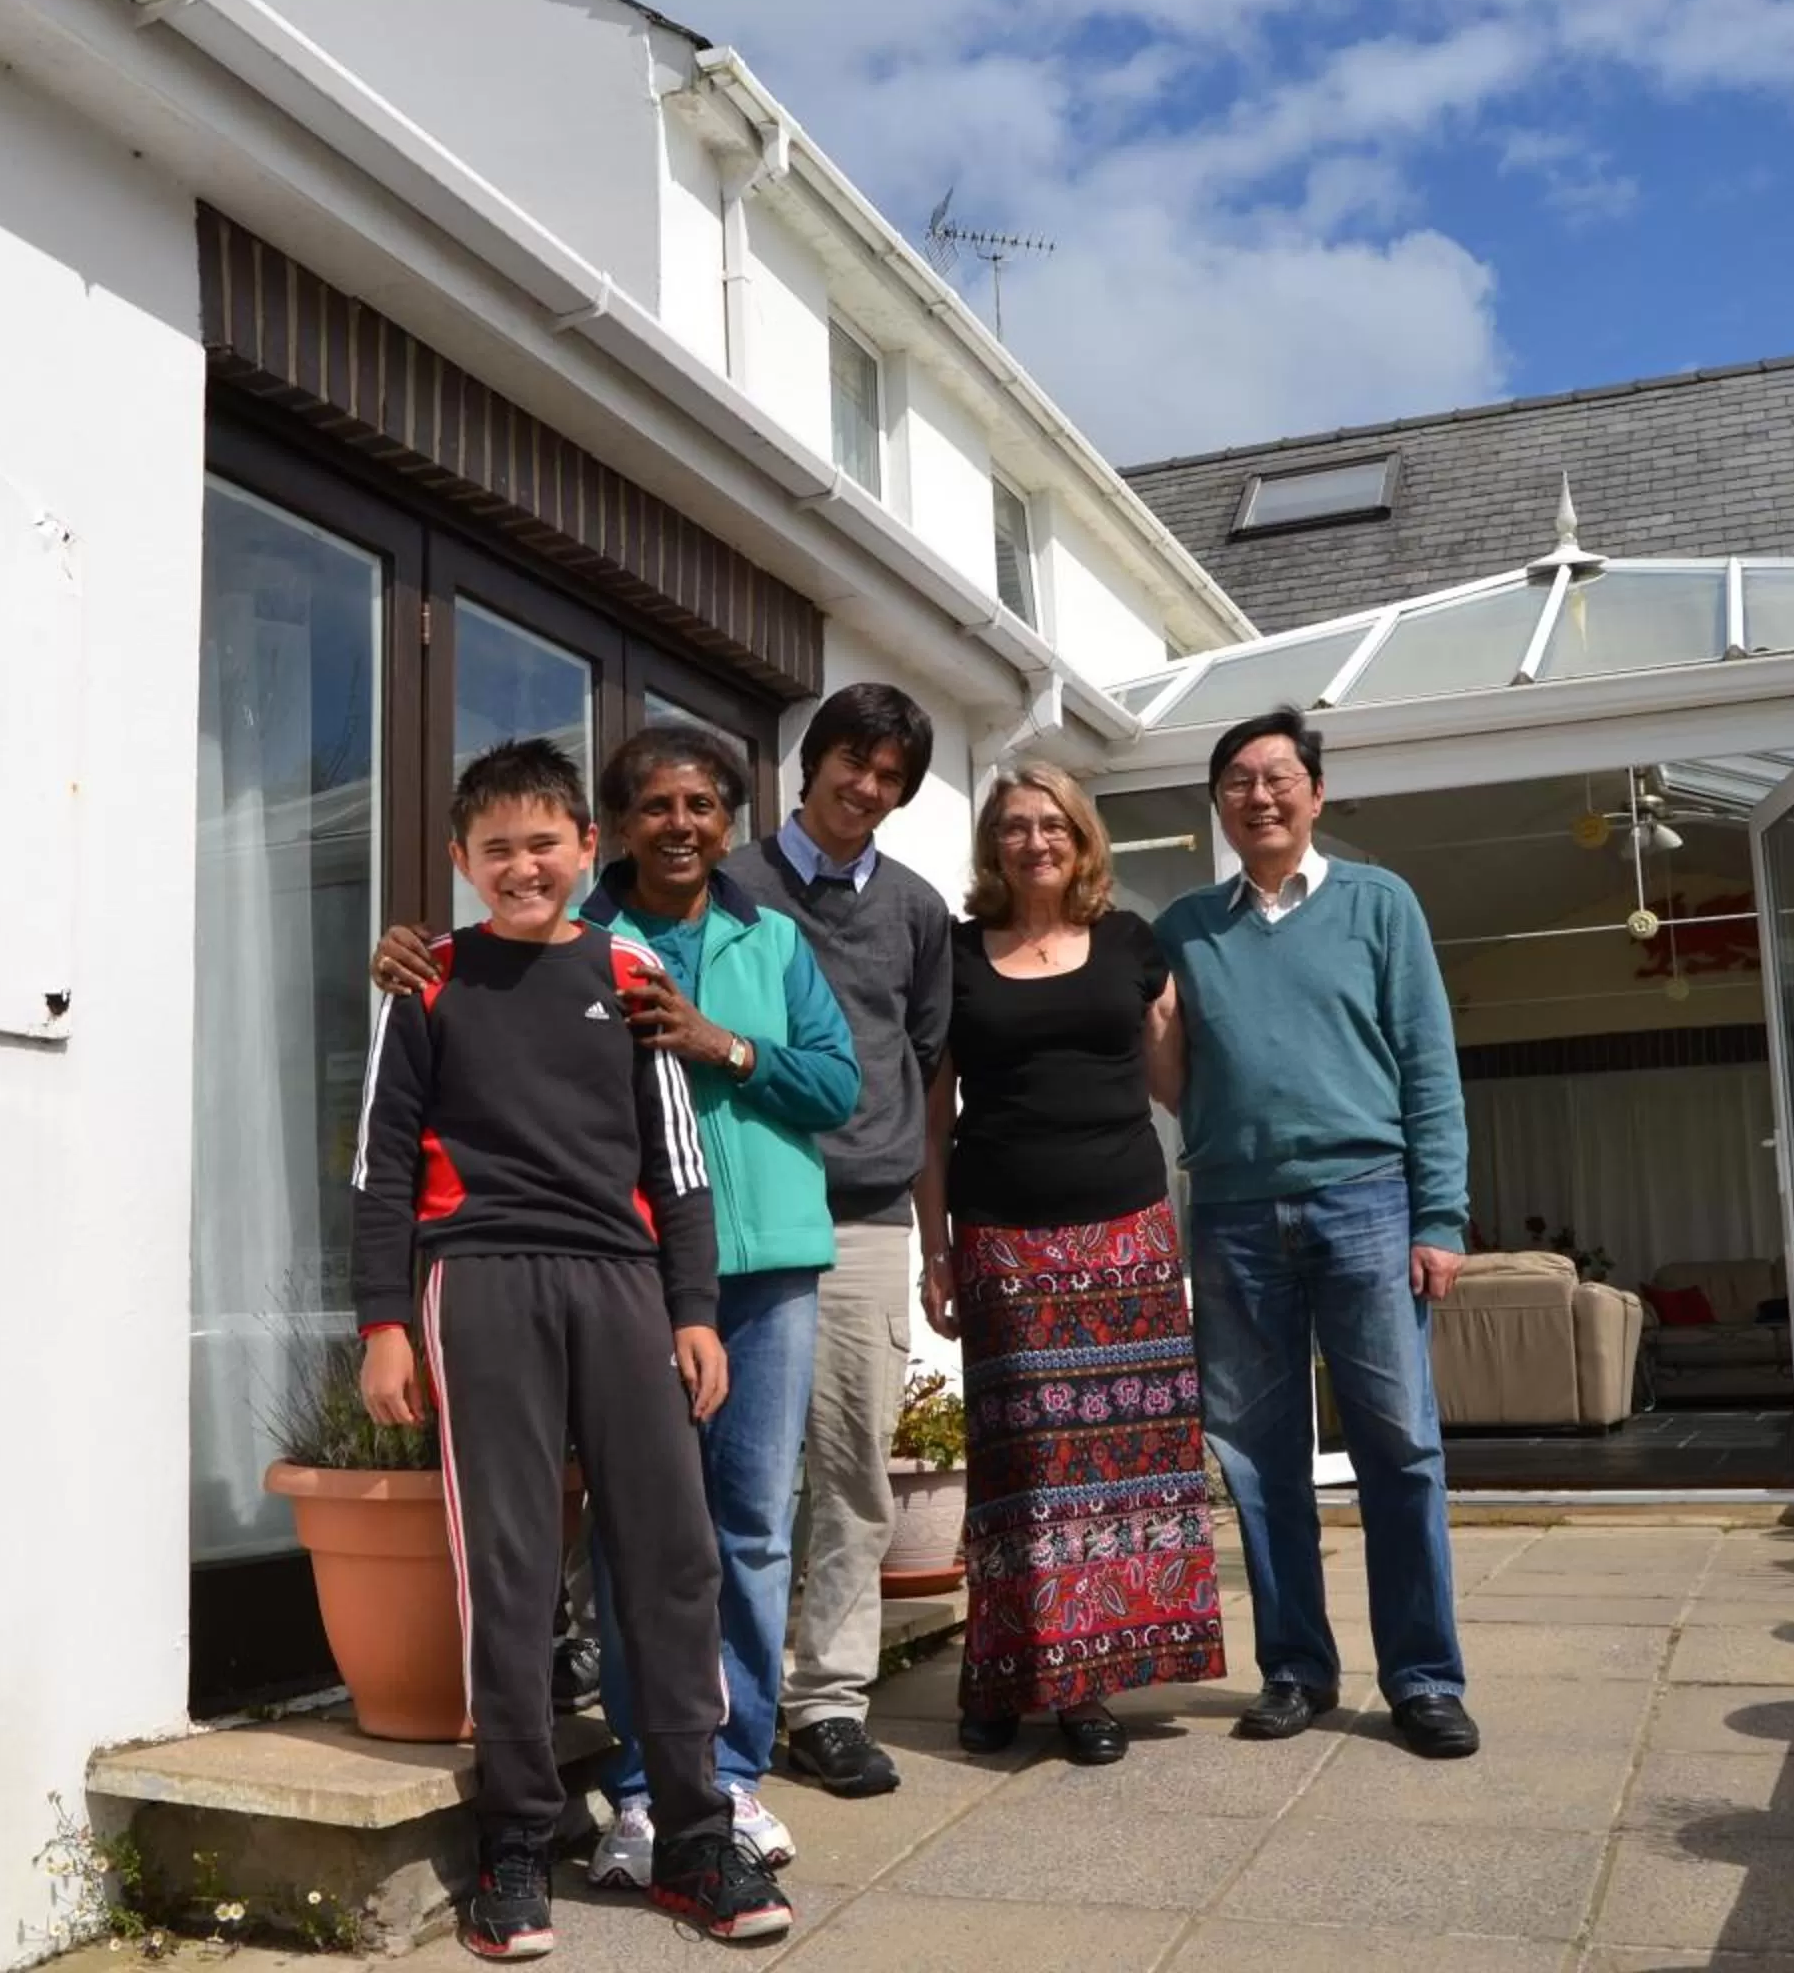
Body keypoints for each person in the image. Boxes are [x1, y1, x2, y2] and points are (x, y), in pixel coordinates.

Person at [386, 725, 859, 1880]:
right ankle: (617, 1795)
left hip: (715, 1270)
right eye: (658, 804)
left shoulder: (746, 942)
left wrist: (725, 1045)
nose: (682, 822)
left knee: (722, 1532)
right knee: (559, 1549)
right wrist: (383, 1317)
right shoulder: (499, 962)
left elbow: (823, 1089)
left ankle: (722, 1785)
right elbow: (392, 1148)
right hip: (563, 1275)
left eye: (702, 803)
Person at [1152, 707, 1481, 1762]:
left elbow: (1429, 1066)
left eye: (1279, 776)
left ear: (1316, 793)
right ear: (1220, 802)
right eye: (1239, 780)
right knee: (1256, 1456)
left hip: (1366, 1199)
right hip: (1235, 1212)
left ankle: (1424, 1677)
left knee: (1401, 1446)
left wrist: (1438, 1214)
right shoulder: (1186, 929)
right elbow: (1173, 1078)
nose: (1261, 795)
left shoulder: (1380, 904)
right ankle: (1295, 1667)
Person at [917, 763, 1228, 1764]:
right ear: (993, 845)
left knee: (1121, 1468)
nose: (1034, 840)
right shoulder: (956, 954)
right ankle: (1003, 1675)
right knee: (1021, 1471)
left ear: (1082, 838)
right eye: (1014, 825)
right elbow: (932, 1111)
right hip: (1004, 1236)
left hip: (1127, 1232)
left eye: (1052, 823)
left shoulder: (1134, 943)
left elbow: (1177, 1079)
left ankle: (1087, 1686)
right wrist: (935, 1245)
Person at [718, 685, 953, 1800]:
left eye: (890, 774)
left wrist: (934, 1222)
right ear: (807, 764)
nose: (867, 787)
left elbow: (927, 1059)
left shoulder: (914, 908)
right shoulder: (731, 880)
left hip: (861, 1216)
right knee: (710, 1465)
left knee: (853, 1470)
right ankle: (710, 1689)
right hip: (738, 1209)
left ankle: (828, 1703)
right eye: (851, 763)